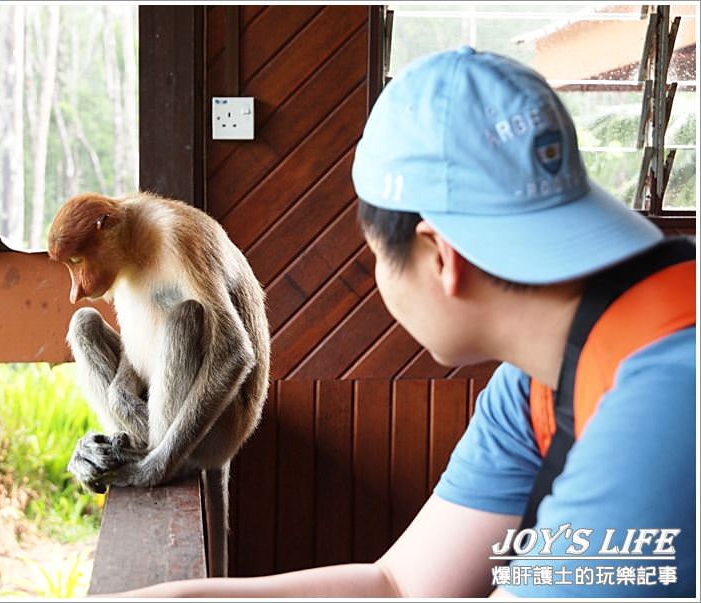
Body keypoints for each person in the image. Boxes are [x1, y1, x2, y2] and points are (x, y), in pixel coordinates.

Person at [119, 48, 696, 598]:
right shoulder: (540, 380)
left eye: (372, 255)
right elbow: (400, 586)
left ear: (438, 258)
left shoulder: (668, 403)